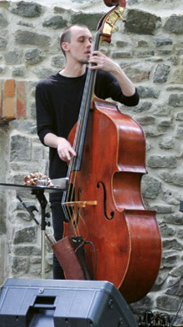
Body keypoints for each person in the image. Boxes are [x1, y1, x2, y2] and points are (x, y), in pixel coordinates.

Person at [34, 23, 140, 278]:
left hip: (98, 184)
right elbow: (44, 131)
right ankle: (64, 311)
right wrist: (60, 142)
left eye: (91, 40)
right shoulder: (47, 87)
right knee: (66, 251)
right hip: (66, 183)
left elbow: (132, 98)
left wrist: (115, 68)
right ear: (66, 46)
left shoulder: (99, 79)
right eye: (82, 40)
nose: (89, 45)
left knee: (102, 249)